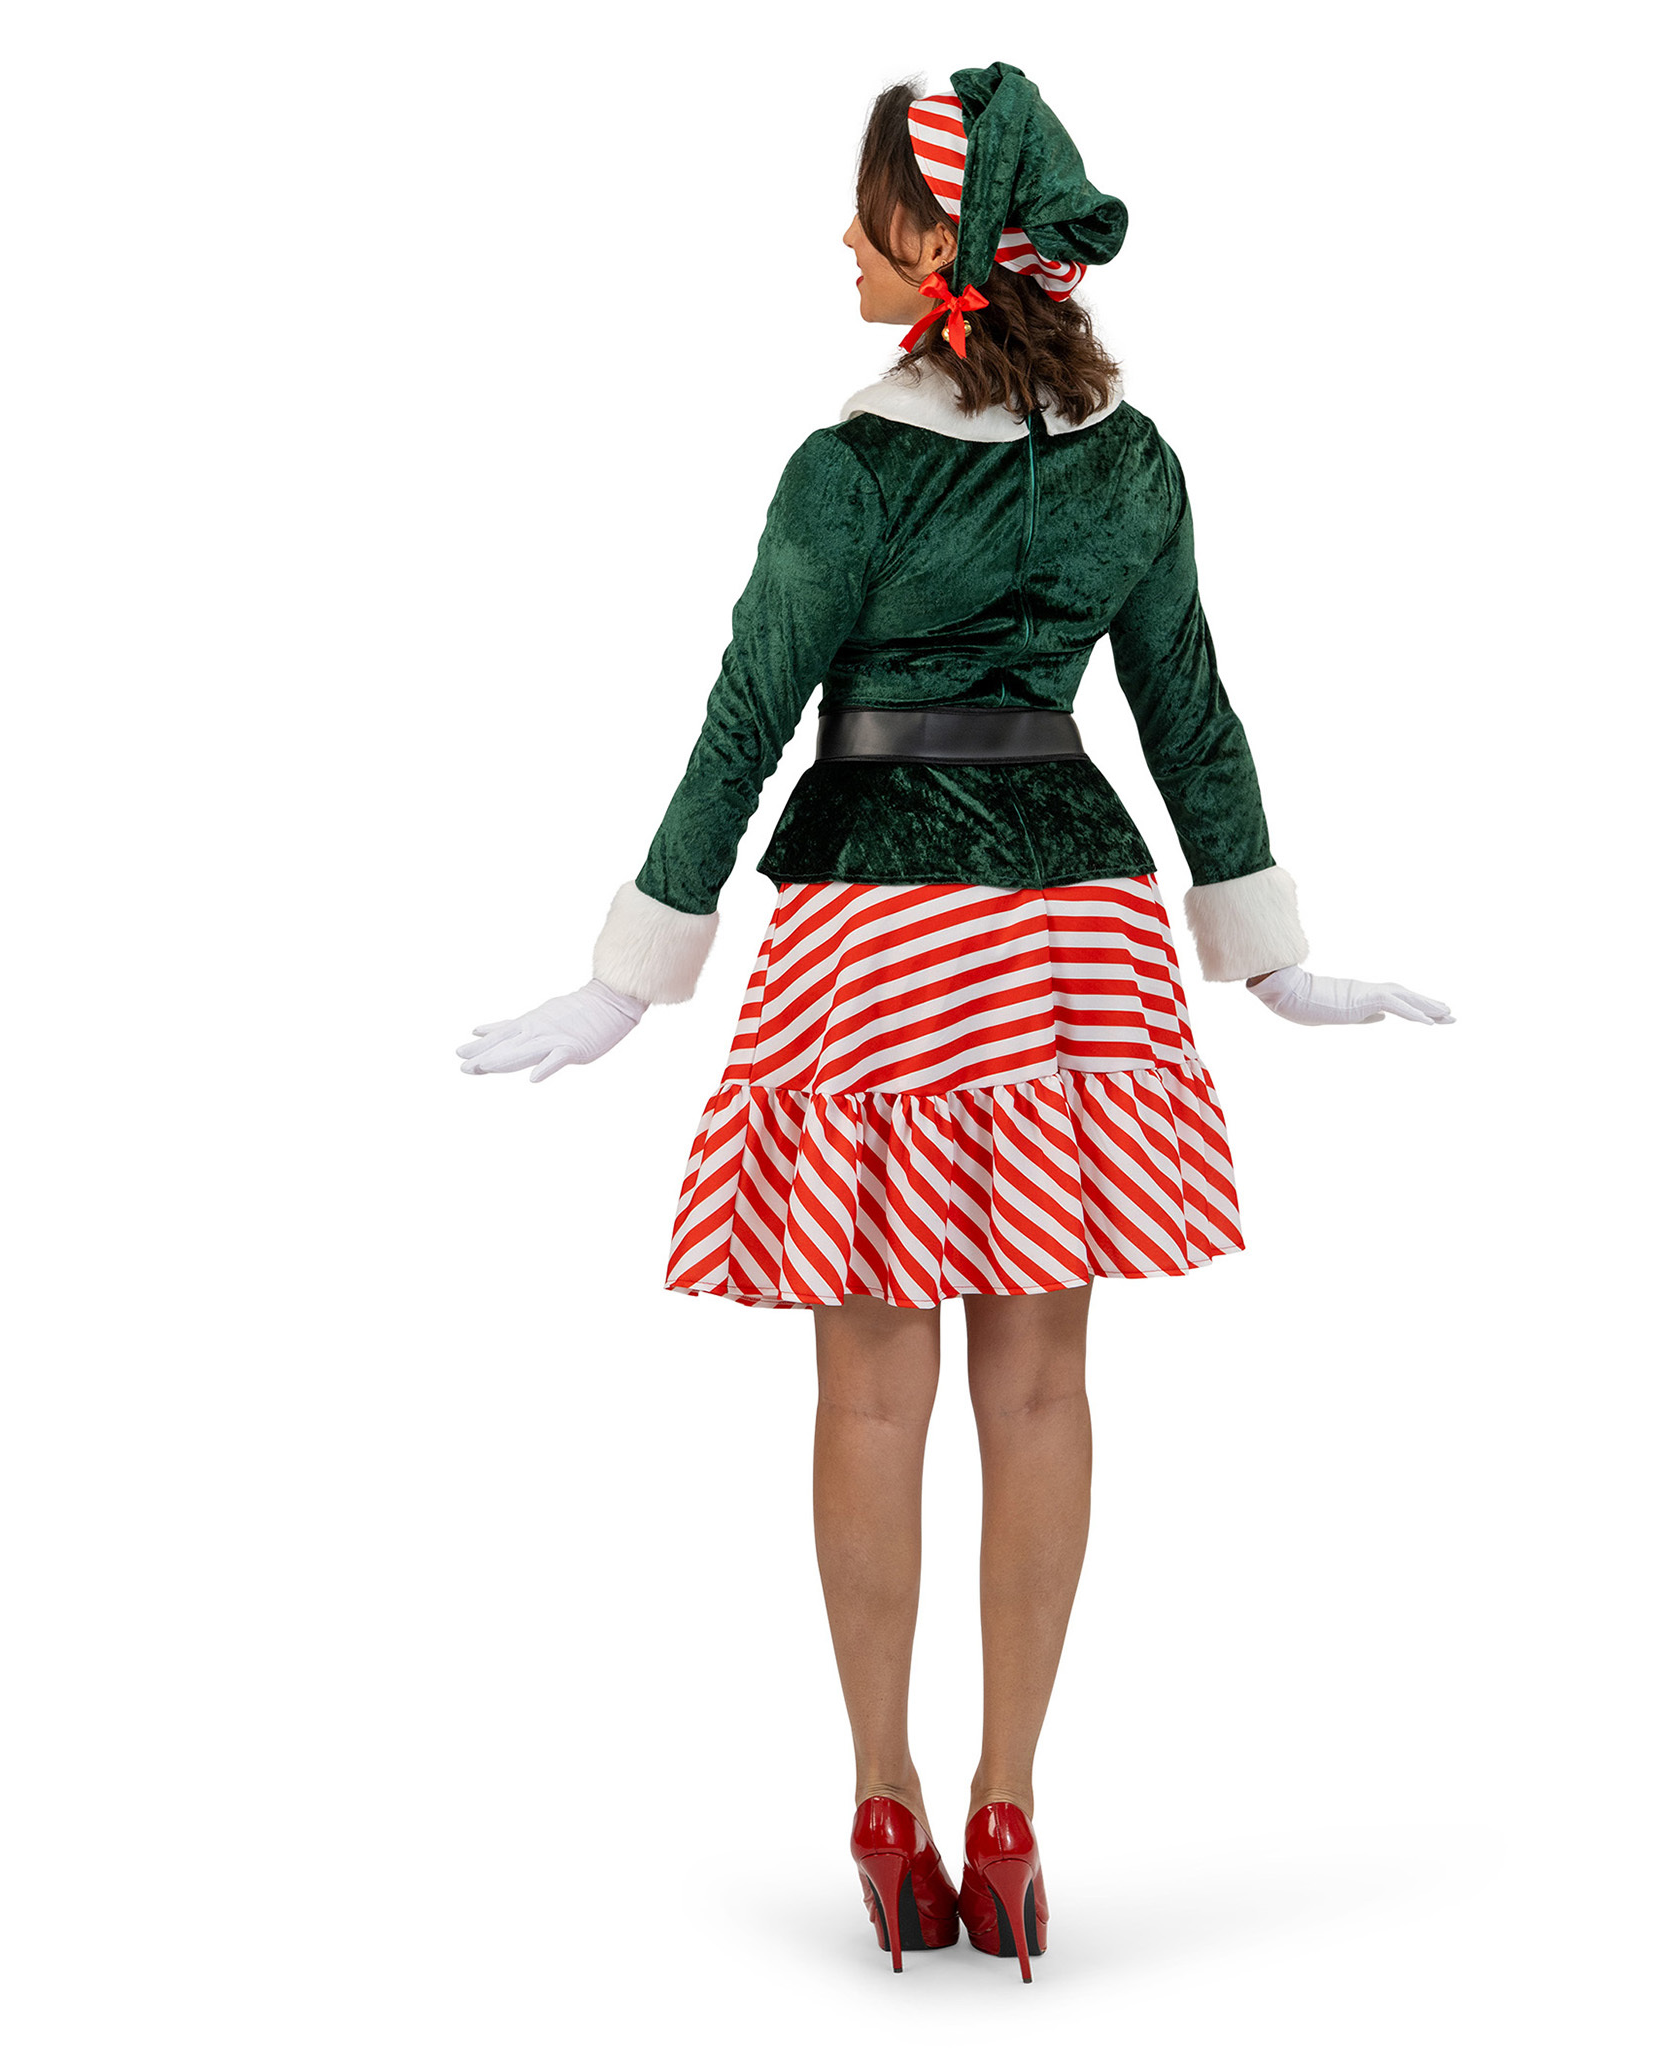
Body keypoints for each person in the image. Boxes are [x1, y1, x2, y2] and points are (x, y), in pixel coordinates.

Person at [458, 65, 1450, 1982]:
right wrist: (1270, 953)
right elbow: (1189, 710)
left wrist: (629, 972)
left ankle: (883, 1796)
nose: (841, 240)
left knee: (867, 1396)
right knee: (1047, 1391)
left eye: (868, 213)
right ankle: (1009, 1808)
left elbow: (747, 716)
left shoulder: (847, 471)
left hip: (881, 933)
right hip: (1073, 938)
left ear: (934, 243)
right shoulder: (1132, 462)